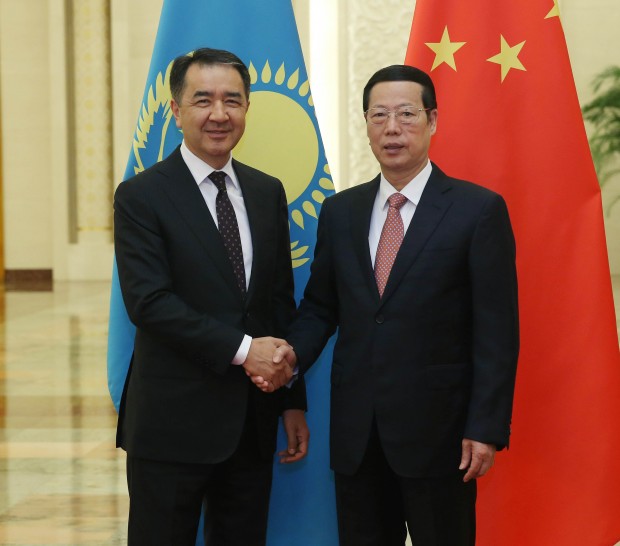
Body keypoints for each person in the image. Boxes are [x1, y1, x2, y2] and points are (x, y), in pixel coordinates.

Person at [261, 65, 519, 545]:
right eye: (378, 115)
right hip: (358, 438)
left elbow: (497, 333)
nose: (392, 128)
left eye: (406, 114)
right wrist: (290, 355)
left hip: (442, 439)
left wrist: (485, 427)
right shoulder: (341, 212)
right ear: (365, 123)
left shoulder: (477, 210)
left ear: (433, 120)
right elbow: (320, 308)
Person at [113, 47, 309, 546]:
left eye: (233, 100)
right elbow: (149, 303)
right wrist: (247, 351)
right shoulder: (141, 196)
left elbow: (277, 304)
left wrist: (290, 399)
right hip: (171, 424)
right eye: (203, 100)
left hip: (251, 421)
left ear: (247, 109)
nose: (219, 114)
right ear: (176, 111)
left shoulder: (267, 192)